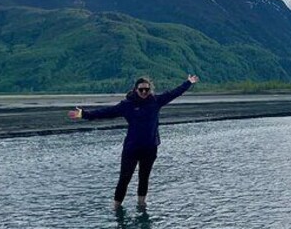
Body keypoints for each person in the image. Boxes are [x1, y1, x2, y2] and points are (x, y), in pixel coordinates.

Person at [69, 74, 200, 208]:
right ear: (135, 89)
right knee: (124, 178)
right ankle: (116, 207)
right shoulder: (127, 105)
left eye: (146, 89)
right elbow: (106, 112)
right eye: (141, 89)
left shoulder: (156, 101)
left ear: (150, 90)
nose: (144, 92)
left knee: (144, 178)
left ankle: (141, 205)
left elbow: (174, 93)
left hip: (150, 148)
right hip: (132, 148)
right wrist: (84, 114)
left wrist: (188, 82)